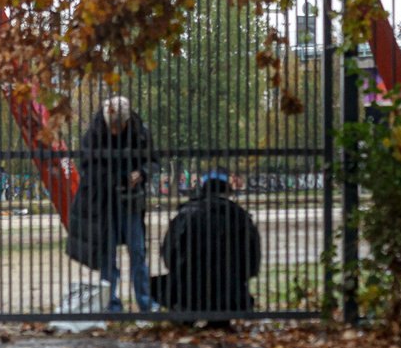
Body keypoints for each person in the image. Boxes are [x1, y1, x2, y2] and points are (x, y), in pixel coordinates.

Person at [66, 95, 156, 312]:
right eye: (112, 126)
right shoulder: (94, 134)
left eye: (119, 126)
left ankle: (145, 302)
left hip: (131, 202)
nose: (115, 130)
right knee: (107, 255)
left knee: (138, 252)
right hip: (105, 203)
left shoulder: (140, 133)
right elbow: (87, 168)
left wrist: (141, 173)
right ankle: (111, 304)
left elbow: (153, 161)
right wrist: (115, 177)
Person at [153, 169, 261, 327]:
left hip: (188, 287)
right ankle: (219, 318)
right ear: (226, 190)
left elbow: (169, 252)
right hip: (229, 290)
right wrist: (240, 277)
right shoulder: (238, 216)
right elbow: (252, 257)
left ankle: (186, 314)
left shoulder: (185, 213)